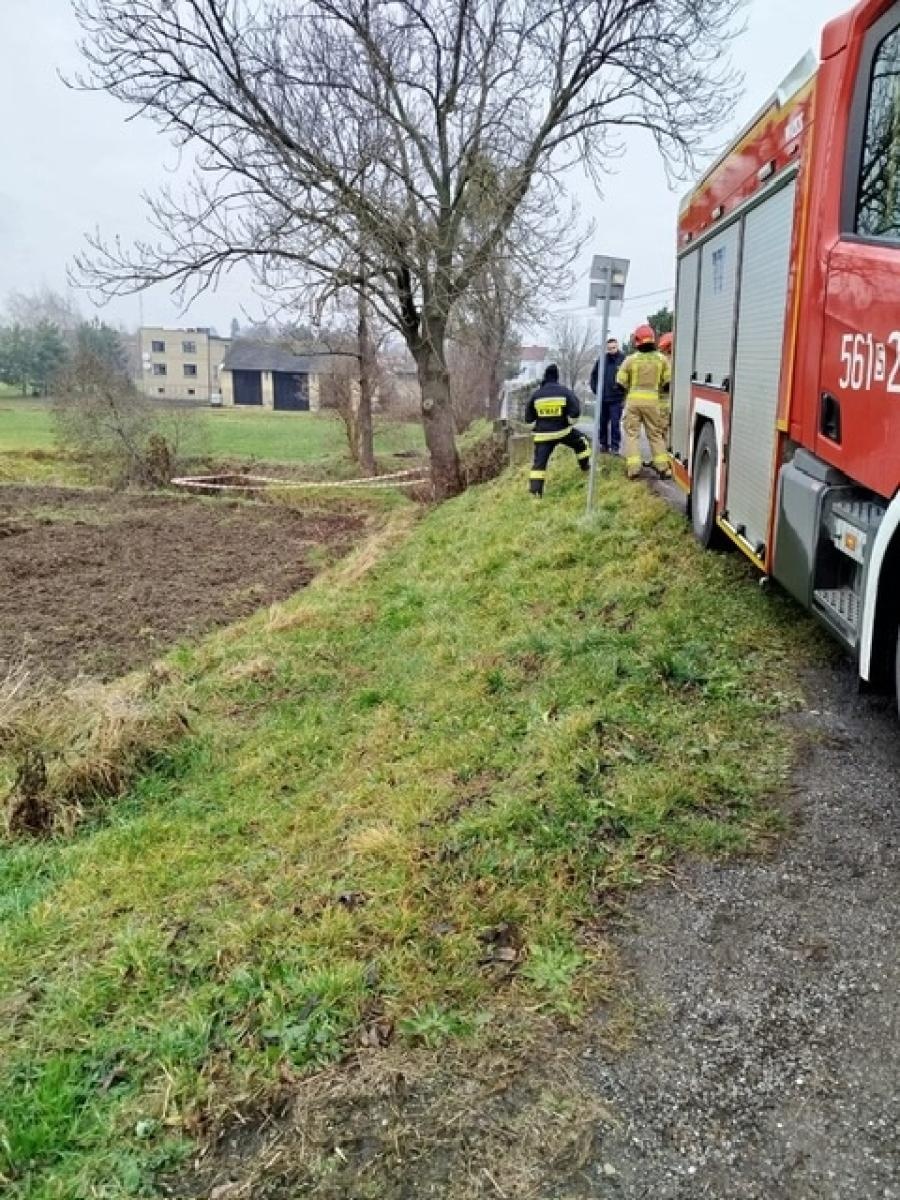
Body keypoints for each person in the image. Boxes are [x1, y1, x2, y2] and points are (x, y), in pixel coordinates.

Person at [525, 363, 591, 496]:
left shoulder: (536, 395)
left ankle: (535, 494)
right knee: (581, 443)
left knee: (539, 465)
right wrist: (568, 422)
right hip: (563, 432)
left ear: (545, 377)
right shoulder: (565, 392)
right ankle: (585, 467)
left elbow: (528, 419)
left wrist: (539, 424)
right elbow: (575, 412)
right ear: (557, 377)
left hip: (543, 436)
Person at [617, 324, 672, 480]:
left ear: (637, 341)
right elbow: (668, 384)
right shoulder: (662, 360)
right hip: (653, 403)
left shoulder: (630, 360)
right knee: (655, 435)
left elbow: (620, 384)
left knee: (632, 435)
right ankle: (663, 468)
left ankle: (634, 469)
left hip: (633, 403)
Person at [589, 336, 626, 454]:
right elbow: (594, 376)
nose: (612, 350)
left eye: (614, 348)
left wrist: (624, 393)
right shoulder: (602, 360)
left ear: (617, 347)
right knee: (603, 422)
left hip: (616, 398)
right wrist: (596, 390)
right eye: (609, 348)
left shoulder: (623, 360)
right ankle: (603, 444)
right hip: (603, 398)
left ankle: (615, 447)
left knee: (615, 423)